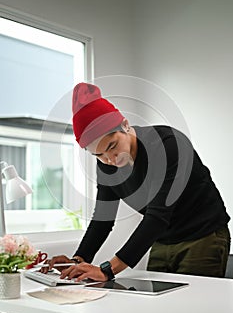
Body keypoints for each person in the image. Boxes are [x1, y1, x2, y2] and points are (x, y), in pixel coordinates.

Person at [42, 82, 231, 281]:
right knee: (157, 307)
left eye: (113, 146)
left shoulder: (169, 145)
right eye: (100, 155)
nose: (111, 159)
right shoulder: (108, 166)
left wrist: (107, 270)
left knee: (194, 307)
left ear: (125, 125)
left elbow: (157, 216)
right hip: (163, 239)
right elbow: (102, 220)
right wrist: (78, 260)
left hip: (203, 234)